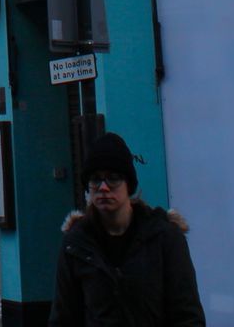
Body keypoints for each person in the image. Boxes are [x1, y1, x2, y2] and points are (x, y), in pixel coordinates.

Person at [52, 132, 204, 326]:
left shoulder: (164, 237)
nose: (103, 187)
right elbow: (63, 318)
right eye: (95, 179)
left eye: (113, 178)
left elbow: (187, 315)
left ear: (129, 185)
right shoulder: (75, 244)